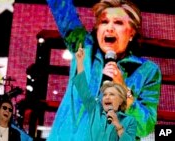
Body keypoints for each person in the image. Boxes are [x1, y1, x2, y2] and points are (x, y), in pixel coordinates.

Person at [46, 0, 161, 140]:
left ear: (132, 33)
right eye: (104, 22)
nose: (109, 28)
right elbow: (62, 8)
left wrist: (123, 90)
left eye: (118, 22)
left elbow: (145, 127)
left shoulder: (147, 71)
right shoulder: (83, 49)